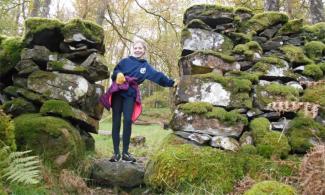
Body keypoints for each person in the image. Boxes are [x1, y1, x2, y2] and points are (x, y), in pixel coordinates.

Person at [100, 40, 177, 162]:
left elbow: (158, 76)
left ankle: (125, 153)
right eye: (135, 48)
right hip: (118, 92)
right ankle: (116, 153)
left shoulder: (145, 67)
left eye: (140, 48)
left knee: (127, 121)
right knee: (116, 122)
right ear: (133, 49)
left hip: (130, 94)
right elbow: (114, 72)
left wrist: (171, 82)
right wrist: (119, 74)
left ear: (144, 50)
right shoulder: (125, 61)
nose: (137, 50)